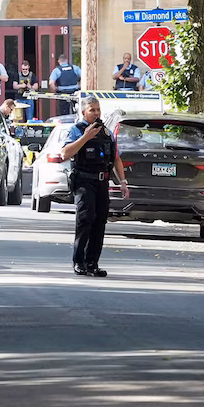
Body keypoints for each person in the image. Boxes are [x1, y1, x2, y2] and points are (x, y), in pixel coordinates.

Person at [61, 97, 127, 277]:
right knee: (85, 219)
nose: (96, 113)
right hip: (83, 181)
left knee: (100, 221)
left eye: (98, 110)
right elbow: (65, 153)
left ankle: (92, 263)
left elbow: (116, 158)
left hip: (102, 182)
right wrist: (85, 137)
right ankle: (79, 262)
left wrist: (122, 182)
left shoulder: (107, 132)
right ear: (83, 112)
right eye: (92, 110)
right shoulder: (76, 130)